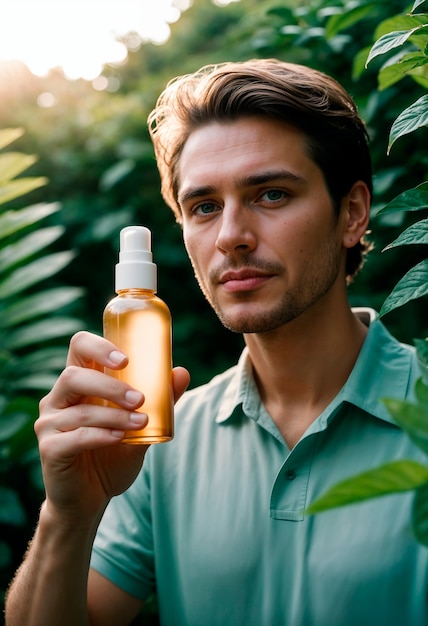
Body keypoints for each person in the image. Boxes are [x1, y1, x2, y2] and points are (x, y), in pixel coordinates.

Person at [5, 59, 428, 626]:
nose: (231, 236)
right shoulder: (158, 442)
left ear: (352, 214)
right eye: (204, 207)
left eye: (271, 194)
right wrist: (69, 514)